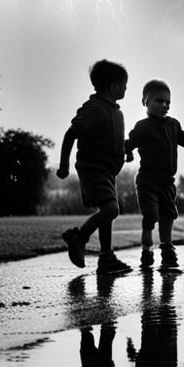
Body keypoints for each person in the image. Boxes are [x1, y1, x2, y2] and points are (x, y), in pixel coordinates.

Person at [56, 58, 132, 275]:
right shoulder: (95, 109)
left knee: (106, 212)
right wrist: (64, 165)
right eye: (125, 85)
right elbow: (71, 133)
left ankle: (106, 258)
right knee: (111, 210)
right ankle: (79, 237)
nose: (126, 89)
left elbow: (114, 139)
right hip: (93, 168)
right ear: (114, 86)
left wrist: (126, 151)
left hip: (108, 170)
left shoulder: (115, 111)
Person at [124, 79, 184, 273]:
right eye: (159, 101)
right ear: (146, 101)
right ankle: (146, 251)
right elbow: (130, 142)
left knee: (168, 215)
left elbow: (183, 138)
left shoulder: (173, 125)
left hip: (167, 181)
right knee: (151, 215)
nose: (164, 105)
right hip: (147, 181)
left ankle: (167, 249)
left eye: (168, 102)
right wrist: (128, 152)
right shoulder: (143, 126)